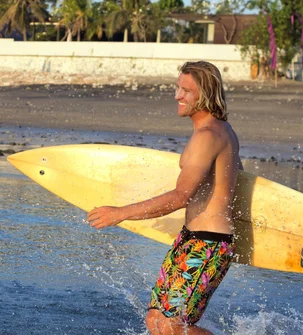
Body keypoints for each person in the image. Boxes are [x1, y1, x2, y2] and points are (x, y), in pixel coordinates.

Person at [88, 61, 243, 334]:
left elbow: (181, 196)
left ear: (204, 95)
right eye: (177, 88)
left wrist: (120, 213)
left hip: (209, 244)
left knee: (172, 326)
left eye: (186, 91)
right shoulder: (219, 130)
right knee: (155, 320)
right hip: (191, 238)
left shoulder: (207, 136)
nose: (177, 96)